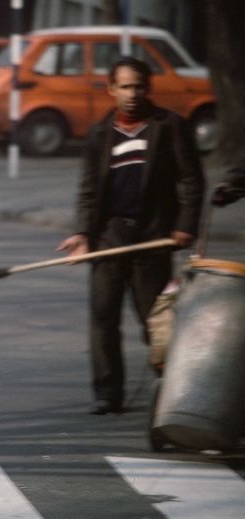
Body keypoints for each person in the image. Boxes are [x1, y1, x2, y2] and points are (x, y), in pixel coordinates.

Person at [57, 56, 205, 415]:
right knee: (103, 318)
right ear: (111, 90)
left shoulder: (169, 126)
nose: (132, 94)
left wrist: (185, 225)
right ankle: (108, 394)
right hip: (109, 237)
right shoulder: (100, 133)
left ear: (148, 88)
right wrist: (82, 233)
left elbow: (191, 180)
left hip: (153, 237)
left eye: (138, 86)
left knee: (154, 322)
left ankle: (172, 390)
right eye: (124, 86)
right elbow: (89, 190)